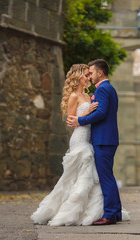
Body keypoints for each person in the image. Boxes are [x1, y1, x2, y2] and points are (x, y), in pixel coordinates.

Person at [31, 64, 103, 226]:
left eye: (88, 75)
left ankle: (90, 209)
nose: (88, 78)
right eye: (85, 75)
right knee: (78, 173)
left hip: (89, 137)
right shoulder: (73, 96)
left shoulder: (88, 93)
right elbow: (71, 121)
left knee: (89, 174)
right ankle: (69, 211)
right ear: (77, 77)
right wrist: (88, 112)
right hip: (79, 138)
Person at [67, 59, 126, 225]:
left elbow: (100, 113)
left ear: (100, 73)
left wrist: (79, 120)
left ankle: (110, 214)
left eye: (91, 73)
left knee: (105, 178)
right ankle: (116, 212)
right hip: (105, 139)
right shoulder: (107, 88)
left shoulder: (103, 89)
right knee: (108, 177)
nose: (90, 76)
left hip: (103, 140)